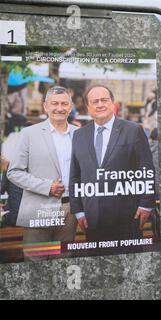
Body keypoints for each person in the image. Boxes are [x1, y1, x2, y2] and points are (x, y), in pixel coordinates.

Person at [69, 84, 156, 252]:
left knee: (130, 267)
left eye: (104, 100)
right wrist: (78, 211)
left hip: (128, 217)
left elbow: (147, 169)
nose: (100, 104)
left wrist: (146, 204)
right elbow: (75, 175)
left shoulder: (132, 131)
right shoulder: (79, 135)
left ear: (112, 103)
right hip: (92, 219)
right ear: (88, 107)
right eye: (95, 101)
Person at [7, 86, 78, 259]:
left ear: (70, 107)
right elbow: (14, 172)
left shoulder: (80, 134)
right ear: (45, 106)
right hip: (39, 207)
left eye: (64, 103)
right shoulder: (29, 133)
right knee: (36, 263)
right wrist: (47, 187)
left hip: (70, 210)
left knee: (63, 261)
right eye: (54, 103)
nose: (59, 108)